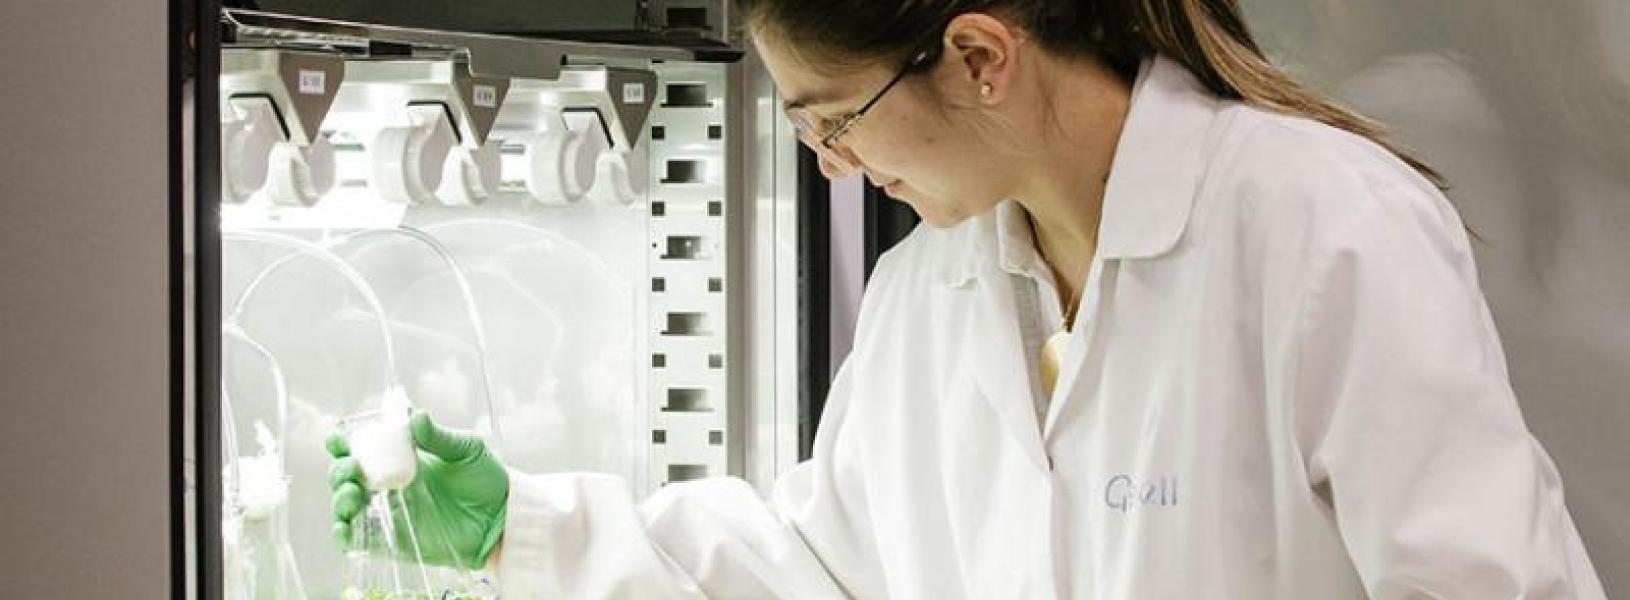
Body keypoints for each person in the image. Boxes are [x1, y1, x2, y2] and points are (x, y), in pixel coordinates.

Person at [325, 0, 1608, 596]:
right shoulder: (929, 289)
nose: (833, 167)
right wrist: (525, 529)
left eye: (835, 120)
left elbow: (1485, 586)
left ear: (980, 55)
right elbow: (823, 570)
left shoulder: (1320, 223)